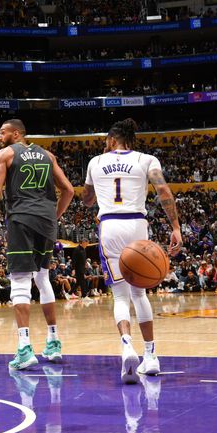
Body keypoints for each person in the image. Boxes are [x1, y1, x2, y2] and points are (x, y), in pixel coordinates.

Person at [81, 119, 182, 384]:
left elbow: (87, 199)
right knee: (140, 293)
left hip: (110, 226)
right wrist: (175, 227)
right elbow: (163, 191)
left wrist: (97, 182)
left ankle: (127, 346)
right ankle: (151, 357)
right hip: (137, 225)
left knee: (120, 296)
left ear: (112, 140)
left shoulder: (95, 162)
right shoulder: (147, 159)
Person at [0, 118, 74, 370]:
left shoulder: (5, 154)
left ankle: (24, 348)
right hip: (46, 222)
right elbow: (69, 190)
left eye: (2, 132)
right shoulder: (48, 155)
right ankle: (53, 342)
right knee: (43, 278)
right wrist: (53, 217)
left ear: (16, 134)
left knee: (19, 281)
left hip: (21, 219)